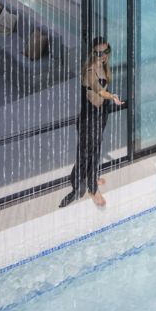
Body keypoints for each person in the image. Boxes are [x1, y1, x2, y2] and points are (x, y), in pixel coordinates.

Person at [59, 37, 124, 208]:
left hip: (100, 114)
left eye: (106, 51)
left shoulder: (103, 67)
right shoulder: (89, 71)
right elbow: (99, 91)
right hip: (89, 118)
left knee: (95, 150)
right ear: (93, 53)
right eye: (99, 53)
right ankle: (90, 188)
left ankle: (91, 178)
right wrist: (113, 97)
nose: (103, 56)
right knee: (87, 153)